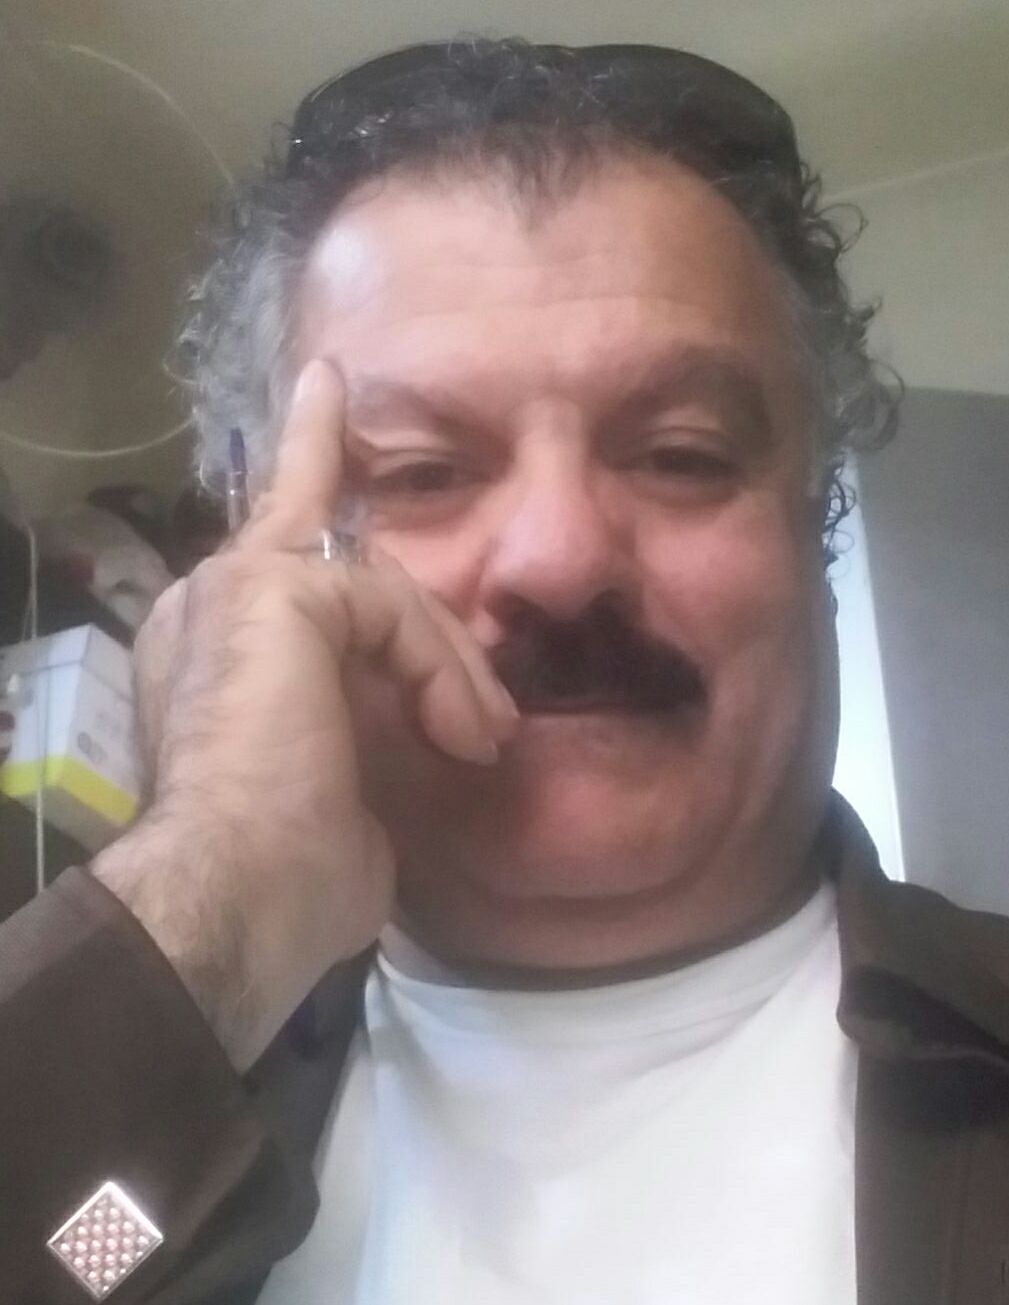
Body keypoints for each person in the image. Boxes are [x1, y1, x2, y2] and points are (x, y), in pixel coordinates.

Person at [3, 37, 1009, 1305]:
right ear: (264, 565)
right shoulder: (119, 1190)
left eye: (683, 453)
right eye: (422, 471)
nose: (559, 556)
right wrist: (202, 894)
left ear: (812, 521)